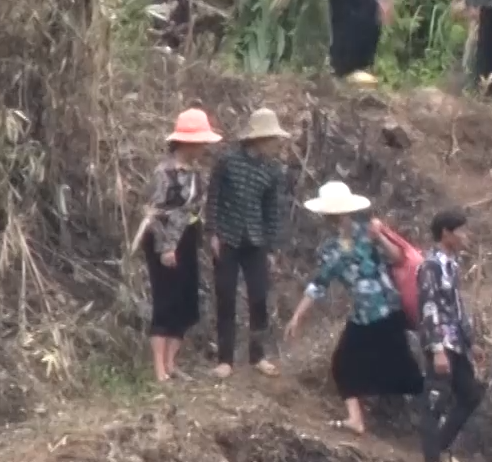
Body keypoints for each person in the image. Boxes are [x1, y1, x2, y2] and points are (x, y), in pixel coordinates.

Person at [283, 182, 425, 435]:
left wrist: (380, 236)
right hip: (377, 311)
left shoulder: (352, 240)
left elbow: (397, 258)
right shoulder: (348, 240)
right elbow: (320, 283)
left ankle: (420, 420)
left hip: (378, 312)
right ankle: (366, 419)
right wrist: (297, 316)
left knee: (368, 366)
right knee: (365, 364)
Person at [207, 108, 290, 379]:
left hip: (256, 240)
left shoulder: (273, 171)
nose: (275, 144)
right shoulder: (228, 161)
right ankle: (225, 359)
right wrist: (213, 233)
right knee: (226, 297)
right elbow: (213, 199)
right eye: (271, 139)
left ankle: (258, 356)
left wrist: (272, 249)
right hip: (228, 237)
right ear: (259, 138)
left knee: (258, 297)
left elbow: (271, 212)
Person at [143, 108, 220, 383]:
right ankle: (159, 370)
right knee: (165, 301)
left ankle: (171, 363)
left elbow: (195, 210)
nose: (202, 147)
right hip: (164, 241)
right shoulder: (164, 172)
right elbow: (155, 213)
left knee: (186, 302)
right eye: (199, 142)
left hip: (187, 239)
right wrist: (165, 247)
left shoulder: (196, 174)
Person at [416, 209, 481, 462]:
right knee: (433, 402)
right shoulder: (429, 266)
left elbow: (456, 307)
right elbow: (428, 307)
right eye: (462, 231)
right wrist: (437, 348)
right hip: (441, 342)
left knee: (470, 393)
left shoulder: (451, 266)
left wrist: (470, 341)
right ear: (446, 233)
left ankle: (439, 449)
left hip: (456, 343)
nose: (466, 237)